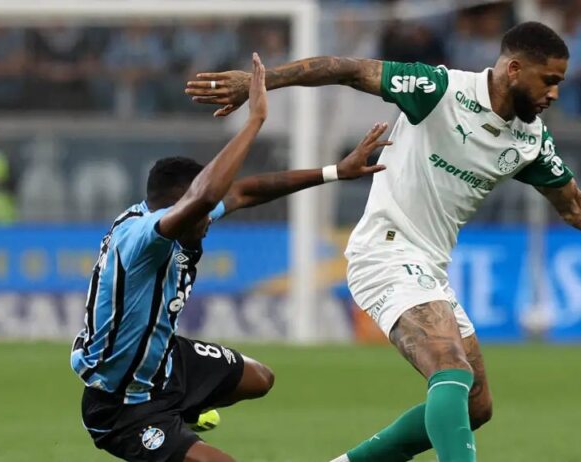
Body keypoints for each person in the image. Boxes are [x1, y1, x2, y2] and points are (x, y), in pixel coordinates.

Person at [187, 23, 581, 462]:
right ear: (514, 70)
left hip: (428, 268)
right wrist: (260, 83)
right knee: (450, 368)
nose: (555, 94)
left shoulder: (530, 139)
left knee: (475, 405)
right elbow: (347, 68)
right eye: (550, 80)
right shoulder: (439, 90)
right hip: (385, 251)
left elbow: (575, 206)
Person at [72, 53, 391, 462]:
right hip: (122, 402)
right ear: (180, 207)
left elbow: (242, 192)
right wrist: (255, 119)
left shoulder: (174, 218)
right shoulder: (141, 238)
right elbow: (205, 196)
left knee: (260, 379)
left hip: (166, 361)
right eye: (202, 214)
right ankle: (169, 428)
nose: (211, 220)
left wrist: (334, 172)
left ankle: (182, 409)